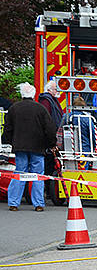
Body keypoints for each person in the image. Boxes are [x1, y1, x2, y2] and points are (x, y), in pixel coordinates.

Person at [3, 83, 57, 211]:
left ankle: (13, 203)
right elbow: (49, 129)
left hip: (20, 147)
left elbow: (7, 129)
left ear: (22, 94)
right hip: (38, 148)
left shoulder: (14, 108)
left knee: (19, 173)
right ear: (33, 94)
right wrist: (51, 144)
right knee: (38, 175)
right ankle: (38, 204)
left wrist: (11, 142)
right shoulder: (40, 109)